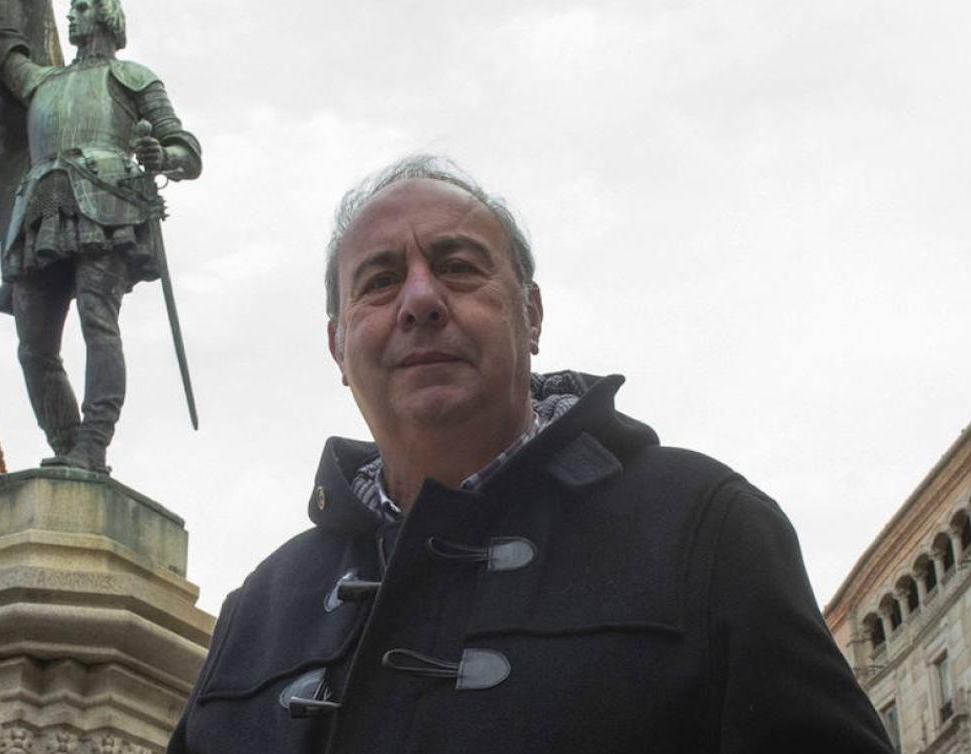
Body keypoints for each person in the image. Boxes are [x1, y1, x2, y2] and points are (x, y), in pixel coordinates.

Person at [168, 154, 893, 753]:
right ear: (338, 347)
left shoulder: (704, 529)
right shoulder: (258, 610)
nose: (420, 300)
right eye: (381, 280)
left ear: (532, 314)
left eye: (456, 266)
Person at [0, 0, 201, 472]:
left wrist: (161, 156)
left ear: (104, 19)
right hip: (40, 210)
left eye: (81, 9)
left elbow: (187, 151)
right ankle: (66, 443)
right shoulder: (41, 81)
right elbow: (0, 50)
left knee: (97, 322)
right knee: (33, 344)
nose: (71, 17)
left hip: (106, 205)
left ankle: (93, 443)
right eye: (70, 10)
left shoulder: (132, 77)